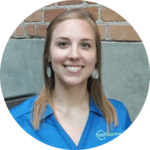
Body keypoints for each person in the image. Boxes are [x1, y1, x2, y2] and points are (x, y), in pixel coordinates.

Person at [9, 9, 132, 150]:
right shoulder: (18, 120)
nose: (74, 55)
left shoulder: (119, 116)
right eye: (63, 44)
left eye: (85, 45)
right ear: (48, 54)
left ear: (96, 57)